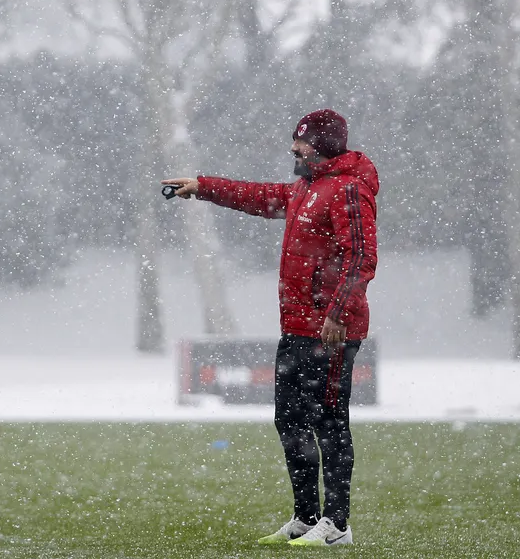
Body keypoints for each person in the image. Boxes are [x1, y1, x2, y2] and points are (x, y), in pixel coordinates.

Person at [162, 108, 378, 547]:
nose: (293, 149)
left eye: (300, 142)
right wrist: (204, 187)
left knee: (331, 422)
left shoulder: (348, 189)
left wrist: (337, 314)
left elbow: (361, 258)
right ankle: (305, 517)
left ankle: (337, 526)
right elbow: (259, 196)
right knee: (289, 419)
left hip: (330, 331)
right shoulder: (306, 189)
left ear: (320, 146)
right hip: (297, 327)